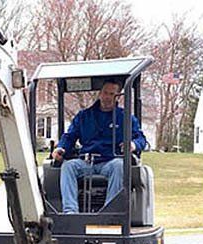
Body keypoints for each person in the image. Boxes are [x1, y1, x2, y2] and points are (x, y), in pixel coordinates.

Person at [51, 79, 147, 213]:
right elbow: (70, 136)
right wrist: (61, 148)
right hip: (86, 161)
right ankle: (70, 212)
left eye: (112, 94)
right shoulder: (84, 116)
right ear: (100, 94)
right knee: (68, 166)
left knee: (120, 166)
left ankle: (109, 212)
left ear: (118, 96)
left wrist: (133, 145)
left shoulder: (125, 118)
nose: (108, 97)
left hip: (110, 161)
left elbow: (141, 139)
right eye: (105, 93)